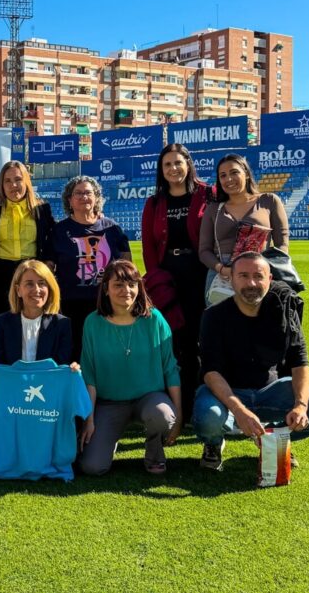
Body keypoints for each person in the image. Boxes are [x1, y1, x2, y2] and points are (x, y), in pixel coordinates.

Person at [194, 252, 309, 471]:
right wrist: (240, 411)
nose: (251, 283)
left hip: (271, 389)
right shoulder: (214, 316)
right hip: (227, 392)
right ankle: (214, 444)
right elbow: (211, 371)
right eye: (243, 276)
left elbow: (300, 361)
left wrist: (301, 407)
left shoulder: (283, 310)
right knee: (210, 417)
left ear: (269, 279)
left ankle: (275, 438)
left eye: (258, 276)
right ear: (231, 279)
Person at [78, 260, 181, 476]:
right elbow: (89, 375)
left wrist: (178, 415)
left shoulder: (154, 320)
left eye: (132, 284)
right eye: (118, 285)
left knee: (163, 416)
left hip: (149, 398)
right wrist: (90, 420)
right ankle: (109, 438)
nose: (126, 291)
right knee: (92, 467)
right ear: (106, 289)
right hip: (109, 402)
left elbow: (170, 368)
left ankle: (154, 451)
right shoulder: (92, 323)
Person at [140, 143, 212, 418]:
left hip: (200, 273)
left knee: (200, 337)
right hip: (168, 277)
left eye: (178, 163)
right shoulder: (155, 202)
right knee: (174, 340)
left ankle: (199, 402)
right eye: (167, 164)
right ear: (161, 170)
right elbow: (148, 246)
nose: (173, 169)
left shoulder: (208, 194)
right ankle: (174, 402)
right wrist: (156, 280)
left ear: (188, 165)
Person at [52, 175, 132, 359]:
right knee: (76, 353)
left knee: (107, 353)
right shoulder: (59, 231)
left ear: (96, 197)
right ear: (69, 200)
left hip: (107, 302)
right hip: (71, 304)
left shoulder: (112, 228)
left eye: (88, 193)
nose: (83, 197)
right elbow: (48, 267)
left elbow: (127, 267)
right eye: (77, 193)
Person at [199, 153, 289, 299]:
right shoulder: (213, 209)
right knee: (222, 320)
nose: (228, 179)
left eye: (234, 172)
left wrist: (263, 269)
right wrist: (222, 269)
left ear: (246, 174)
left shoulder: (269, 201)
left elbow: (282, 245)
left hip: (258, 270)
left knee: (258, 320)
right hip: (222, 273)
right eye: (223, 175)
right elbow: (204, 251)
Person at [0, 259, 76, 379]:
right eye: (29, 284)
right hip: (14, 391)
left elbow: (62, 368)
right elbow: (0, 366)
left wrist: (73, 369)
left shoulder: (62, 324)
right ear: (18, 290)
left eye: (42, 283)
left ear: (50, 289)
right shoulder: (2, 323)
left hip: (48, 391)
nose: (37, 289)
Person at [0, 162, 55, 324]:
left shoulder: (42, 209)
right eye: (7, 181)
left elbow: (53, 238)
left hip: (31, 273)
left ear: (26, 182)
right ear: (1, 185)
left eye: (18, 179)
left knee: (31, 326)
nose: (13, 185)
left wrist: (49, 263)